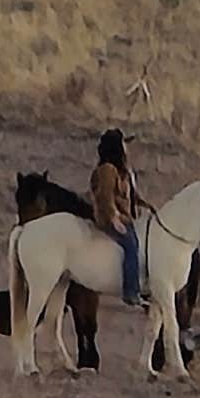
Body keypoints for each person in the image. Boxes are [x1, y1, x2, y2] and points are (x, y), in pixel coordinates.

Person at [89, 128, 143, 306]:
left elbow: (129, 196)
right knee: (131, 245)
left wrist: (145, 204)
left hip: (125, 217)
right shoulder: (107, 170)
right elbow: (105, 197)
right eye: (123, 144)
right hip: (109, 219)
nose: (126, 149)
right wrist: (114, 218)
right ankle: (130, 290)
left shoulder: (123, 172)